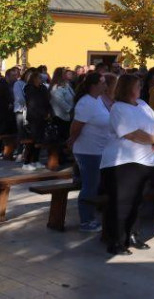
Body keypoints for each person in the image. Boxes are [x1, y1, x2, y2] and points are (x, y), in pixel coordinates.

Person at [100, 74, 154, 255]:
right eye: (137, 86)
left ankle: (132, 234)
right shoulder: (118, 108)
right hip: (124, 163)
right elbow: (131, 134)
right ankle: (116, 240)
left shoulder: (142, 104)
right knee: (122, 203)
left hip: (146, 161)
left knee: (138, 202)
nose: (140, 89)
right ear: (127, 88)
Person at [68, 72, 111, 232]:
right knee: (90, 185)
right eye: (102, 82)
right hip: (88, 151)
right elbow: (76, 127)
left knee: (95, 184)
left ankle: (92, 216)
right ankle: (86, 221)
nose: (105, 85)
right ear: (94, 85)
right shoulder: (86, 103)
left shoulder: (98, 99)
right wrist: (72, 141)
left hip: (99, 150)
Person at [23, 71, 52, 171]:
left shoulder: (43, 88)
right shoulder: (29, 89)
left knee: (40, 140)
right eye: (39, 77)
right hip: (34, 118)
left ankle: (36, 160)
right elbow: (32, 104)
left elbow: (47, 101)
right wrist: (43, 113)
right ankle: (26, 162)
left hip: (43, 118)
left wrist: (48, 112)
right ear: (34, 78)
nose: (41, 79)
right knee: (32, 140)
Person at [49, 68, 75, 143]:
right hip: (60, 116)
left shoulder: (67, 85)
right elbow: (60, 101)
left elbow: (73, 95)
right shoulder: (56, 88)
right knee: (62, 138)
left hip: (69, 116)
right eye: (64, 73)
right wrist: (70, 109)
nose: (66, 75)